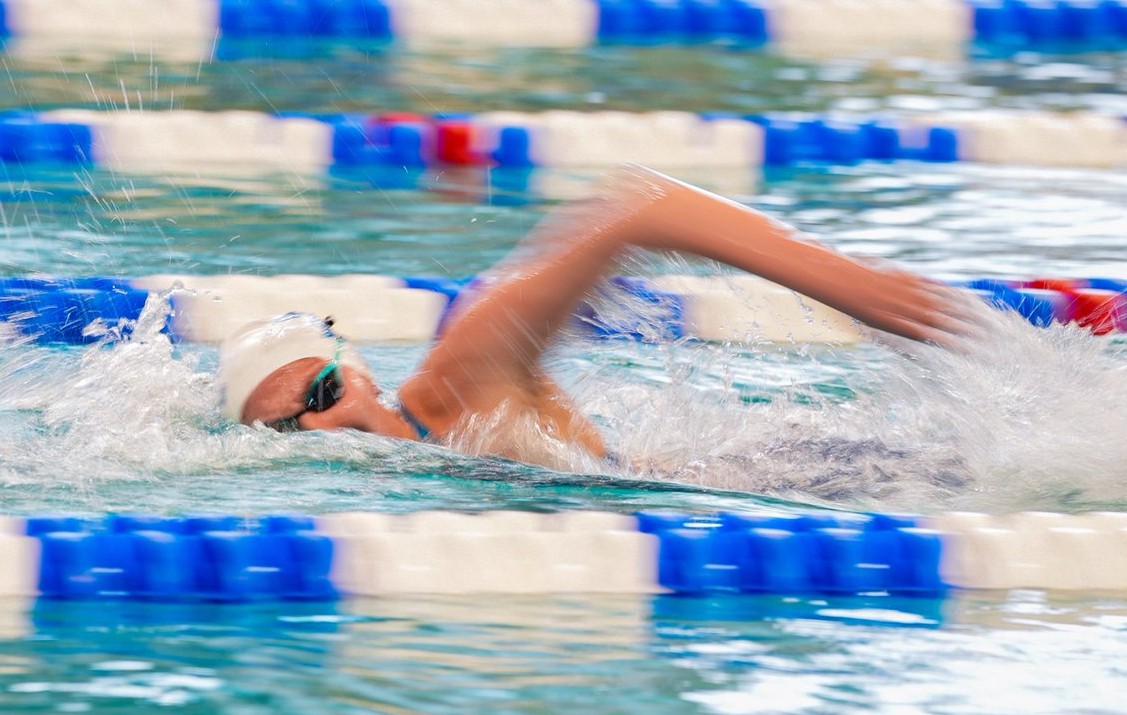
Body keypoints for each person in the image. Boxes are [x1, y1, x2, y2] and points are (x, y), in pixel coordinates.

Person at [218, 165, 967, 464]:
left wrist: (846, 284)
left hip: (795, 476)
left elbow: (640, 203)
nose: (318, 426)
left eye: (318, 394)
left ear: (355, 367)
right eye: (286, 428)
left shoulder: (462, 371)